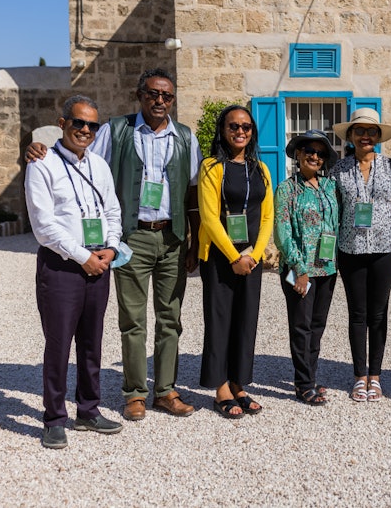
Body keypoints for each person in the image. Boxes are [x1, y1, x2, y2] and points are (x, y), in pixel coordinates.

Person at [27, 68, 202, 421]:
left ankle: (165, 390)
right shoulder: (113, 130)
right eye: (153, 93)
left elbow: (193, 191)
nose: (159, 101)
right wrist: (39, 148)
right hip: (132, 236)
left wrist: (194, 241)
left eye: (166, 96)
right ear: (140, 95)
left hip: (172, 238)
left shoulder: (186, 137)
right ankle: (135, 393)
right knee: (132, 319)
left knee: (171, 318)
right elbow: (84, 162)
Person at [25, 95, 123, 449]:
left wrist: (110, 247)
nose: (85, 130)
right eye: (78, 122)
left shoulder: (99, 165)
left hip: (100, 264)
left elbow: (112, 210)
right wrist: (83, 256)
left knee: (92, 342)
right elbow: (43, 225)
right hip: (62, 267)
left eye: (92, 125)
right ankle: (53, 418)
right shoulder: (42, 164)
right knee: (59, 344)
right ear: (62, 122)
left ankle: (89, 410)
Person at [197, 105, 274, 419]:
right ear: (223, 130)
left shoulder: (261, 169)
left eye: (246, 127)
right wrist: (233, 256)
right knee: (220, 321)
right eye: (233, 126)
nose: (240, 132)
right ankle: (221, 389)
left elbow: (267, 214)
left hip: (250, 259)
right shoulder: (211, 167)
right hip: (219, 257)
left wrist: (253, 255)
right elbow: (209, 218)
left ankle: (239, 383)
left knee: (245, 320)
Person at [330, 108, 391, 402]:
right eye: (359, 130)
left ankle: (376, 375)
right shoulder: (338, 170)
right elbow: (333, 209)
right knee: (357, 314)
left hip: (384, 249)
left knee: (378, 313)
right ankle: (359, 376)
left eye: (371, 131)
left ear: (378, 136)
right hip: (351, 249)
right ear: (350, 136)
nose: (365, 136)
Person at [274, 130, 340, 406]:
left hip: (326, 269)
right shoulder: (287, 189)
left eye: (321, 153)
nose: (314, 156)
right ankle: (303, 385)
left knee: (317, 325)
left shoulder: (329, 187)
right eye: (309, 151)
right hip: (297, 269)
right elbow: (282, 231)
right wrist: (300, 268)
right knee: (301, 326)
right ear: (298, 154)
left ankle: (310, 377)